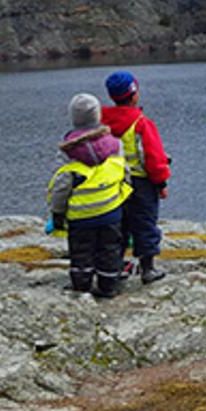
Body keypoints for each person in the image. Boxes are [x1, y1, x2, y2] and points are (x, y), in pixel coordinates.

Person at [47, 93, 132, 299]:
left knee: (81, 252)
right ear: (98, 115)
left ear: (74, 118)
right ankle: (108, 285)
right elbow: (125, 172)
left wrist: (57, 213)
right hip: (111, 211)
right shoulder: (115, 145)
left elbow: (62, 186)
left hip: (80, 216)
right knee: (109, 249)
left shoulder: (68, 152)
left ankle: (82, 285)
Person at [101, 71, 171, 285]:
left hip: (114, 182)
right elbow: (153, 157)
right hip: (141, 183)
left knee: (117, 226)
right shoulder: (141, 123)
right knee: (145, 224)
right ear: (134, 95)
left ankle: (116, 265)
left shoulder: (102, 121)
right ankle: (147, 268)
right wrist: (161, 182)